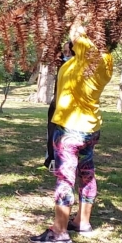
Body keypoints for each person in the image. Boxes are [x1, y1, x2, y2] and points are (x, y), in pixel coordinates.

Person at [30, 25, 115, 243]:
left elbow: (77, 31)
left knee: (65, 178)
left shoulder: (88, 59)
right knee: (86, 174)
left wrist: (80, 10)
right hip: (90, 129)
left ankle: (59, 232)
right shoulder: (106, 61)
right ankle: (82, 222)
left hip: (69, 129)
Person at [45, 41, 74, 169]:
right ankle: (52, 162)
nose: (66, 55)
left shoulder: (78, 68)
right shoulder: (61, 64)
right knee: (52, 134)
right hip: (56, 105)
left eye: (69, 52)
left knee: (68, 137)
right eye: (64, 52)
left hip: (72, 108)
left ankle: (67, 164)